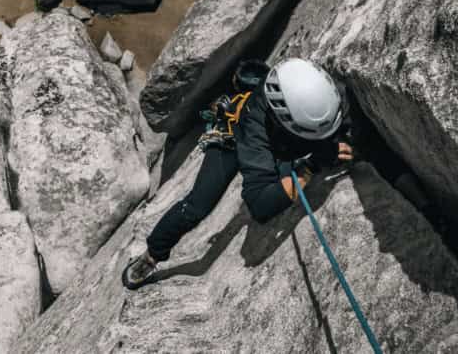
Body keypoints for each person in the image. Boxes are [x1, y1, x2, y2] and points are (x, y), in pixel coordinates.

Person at [123, 57, 355, 289]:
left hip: (283, 136)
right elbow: (261, 204)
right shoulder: (255, 130)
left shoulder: (325, 92)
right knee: (197, 206)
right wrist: (310, 167)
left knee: (292, 165)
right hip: (232, 141)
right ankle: (152, 254)